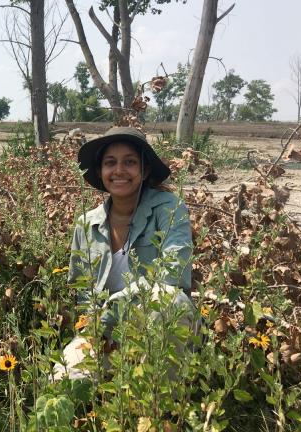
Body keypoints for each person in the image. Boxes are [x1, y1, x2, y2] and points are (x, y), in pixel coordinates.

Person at [53, 126, 194, 380]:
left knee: (170, 301)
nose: (119, 171)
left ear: (145, 170)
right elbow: (84, 297)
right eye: (110, 163)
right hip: (102, 330)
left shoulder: (170, 209)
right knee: (64, 382)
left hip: (153, 326)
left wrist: (116, 308)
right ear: (100, 172)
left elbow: (175, 272)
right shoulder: (87, 223)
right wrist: (96, 332)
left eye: (129, 162)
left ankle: (164, 410)